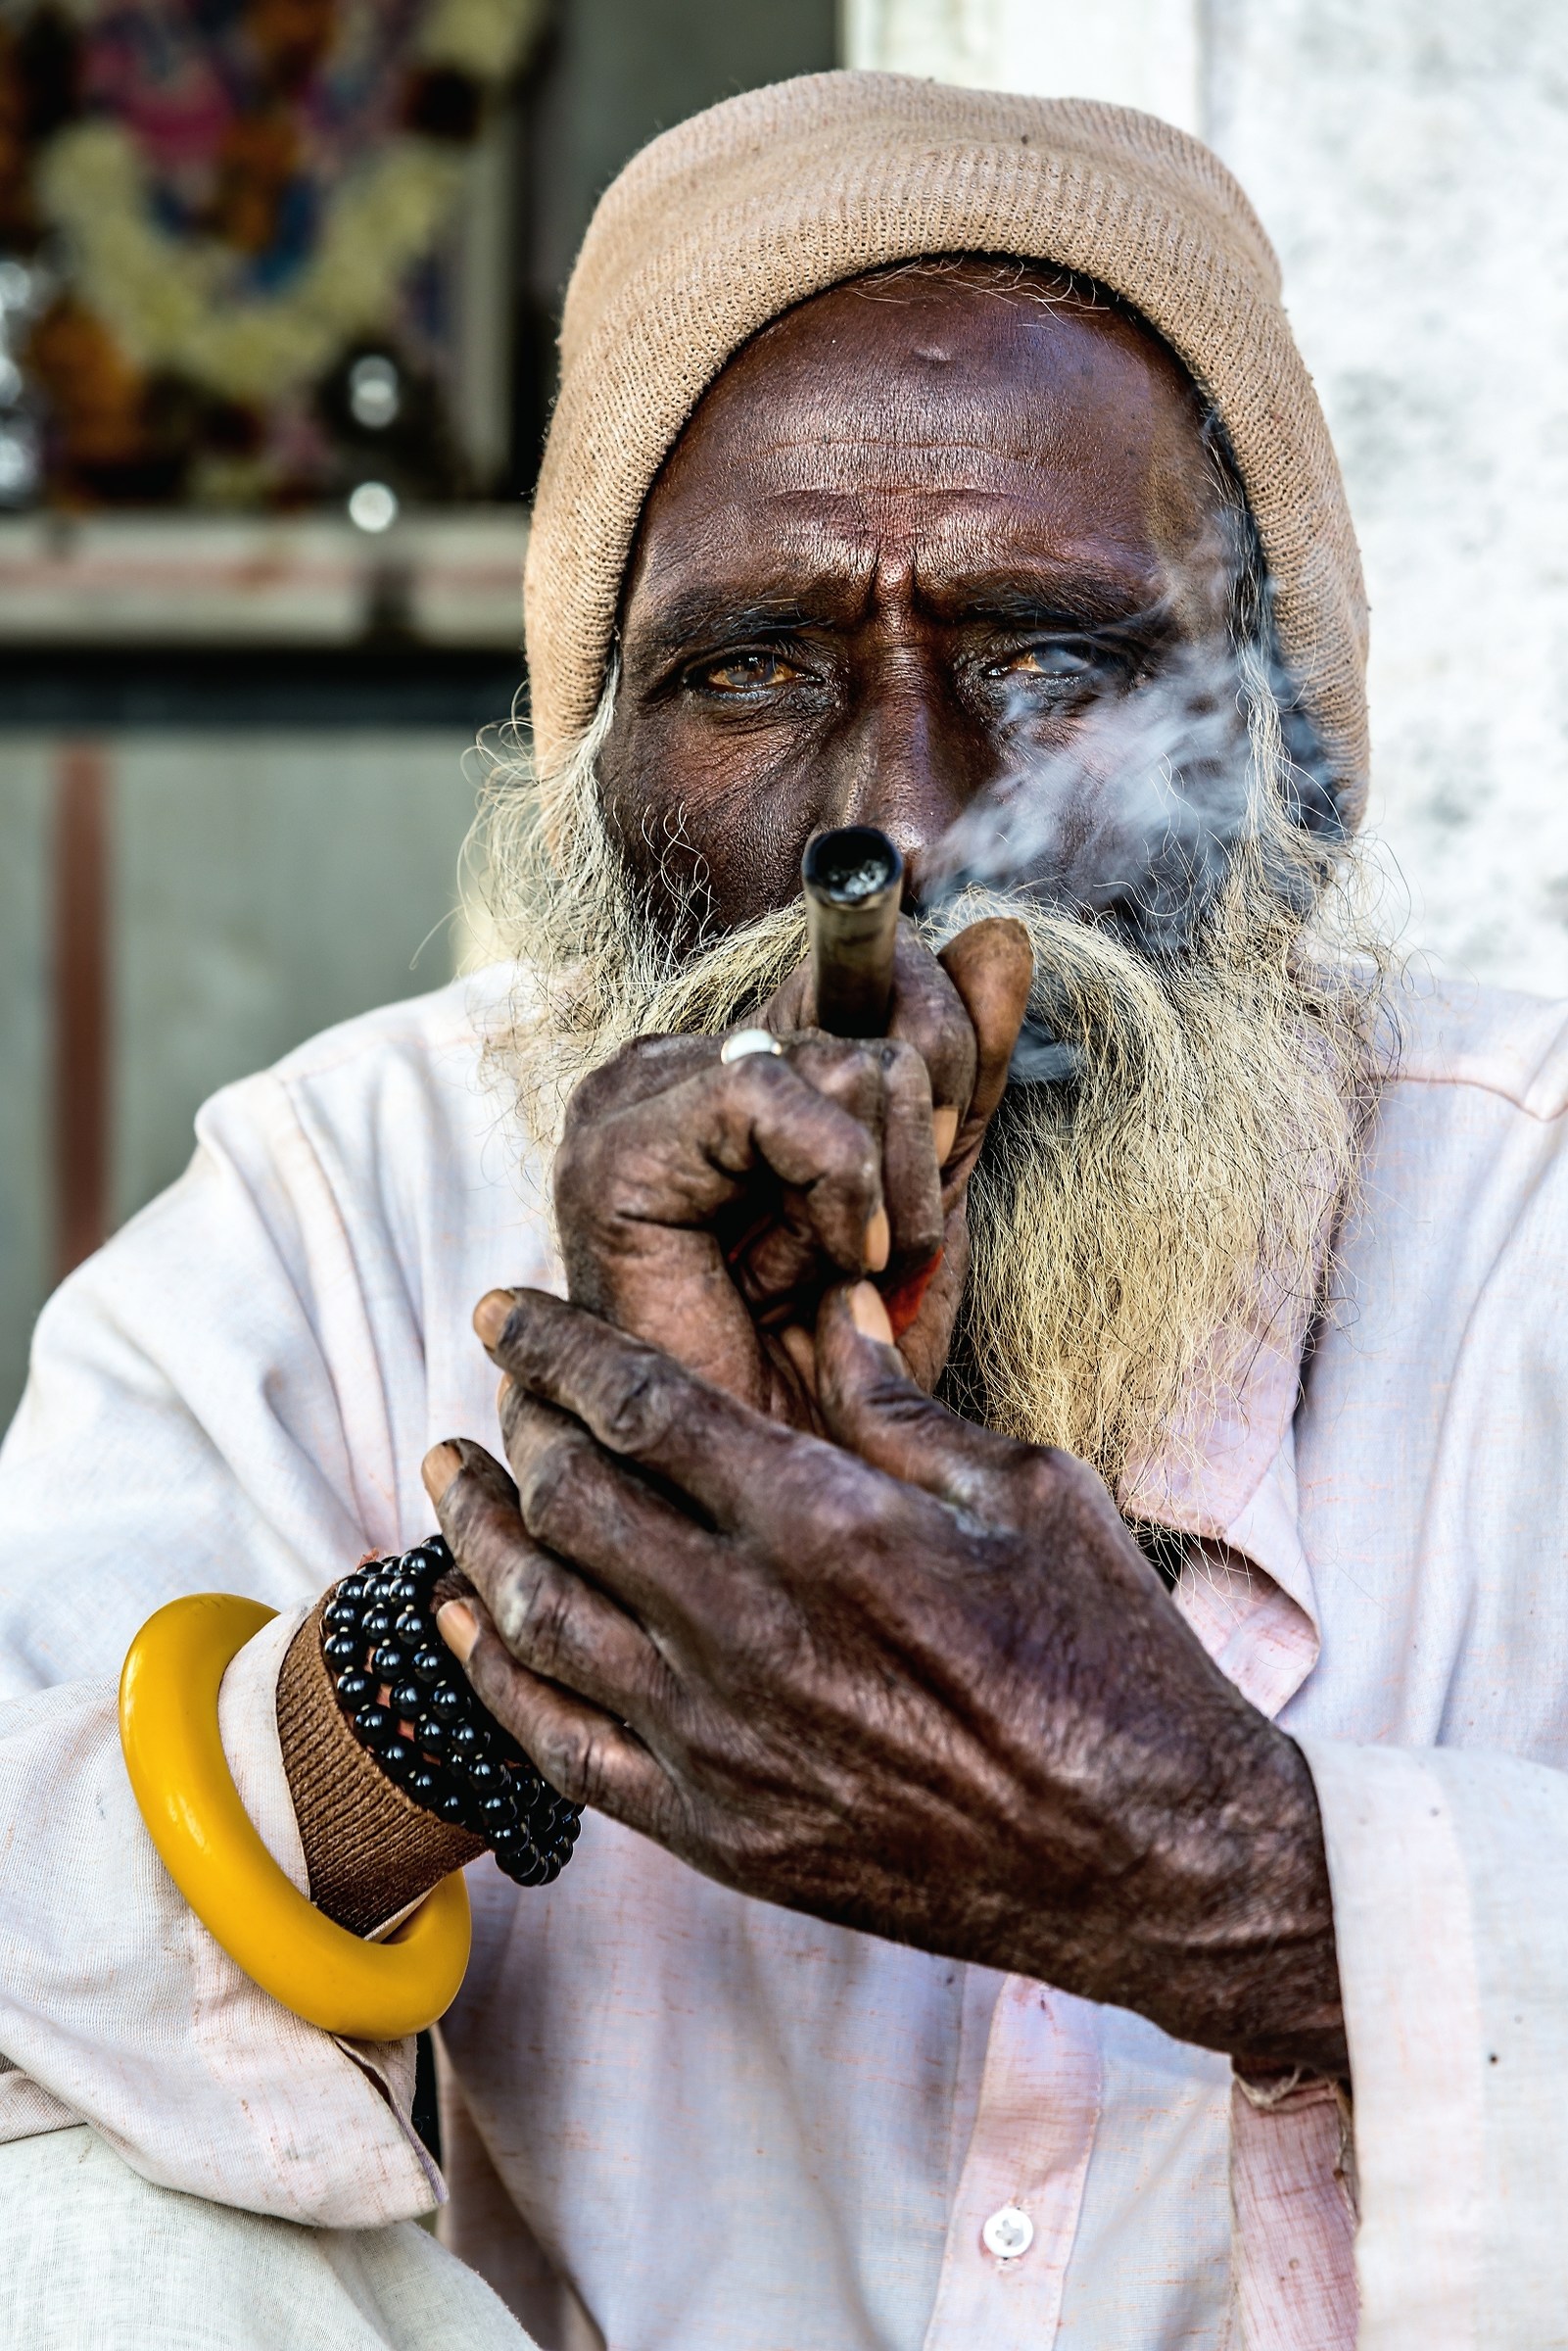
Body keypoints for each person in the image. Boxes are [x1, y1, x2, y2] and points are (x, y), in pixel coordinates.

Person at [1, 69, 1564, 2351]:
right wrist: (540, 1608)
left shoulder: (1525, 1218)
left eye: (1050, 655)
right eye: (756, 669)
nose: (899, 824)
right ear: (595, 766)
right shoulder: (351, 1194)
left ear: (1285, 761)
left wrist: (1218, 1864)